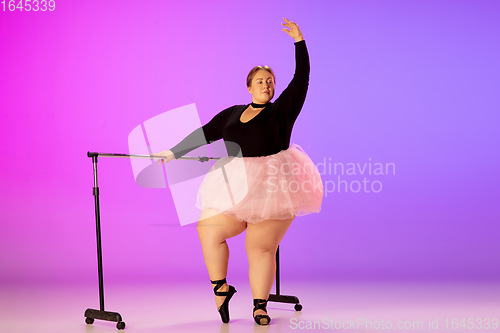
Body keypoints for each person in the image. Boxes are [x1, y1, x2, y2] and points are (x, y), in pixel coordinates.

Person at [152, 18, 323, 326]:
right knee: (208, 229)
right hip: (237, 185)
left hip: (273, 185)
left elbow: (302, 78)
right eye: (260, 81)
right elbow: (205, 132)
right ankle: (222, 289)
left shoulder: (281, 110)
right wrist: (172, 152)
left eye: (270, 81)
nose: (267, 85)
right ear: (248, 86)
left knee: (258, 247)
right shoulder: (231, 113)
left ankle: (260, 306)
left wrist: (300, 42)